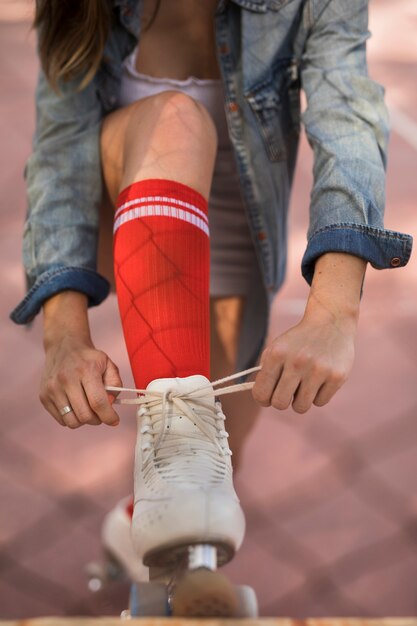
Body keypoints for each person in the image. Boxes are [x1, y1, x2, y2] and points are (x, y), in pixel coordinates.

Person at [10, 0, 412, 613]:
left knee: (207, 474)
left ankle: (136, 531)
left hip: (239, 225)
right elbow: (62, 148)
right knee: (177, 120)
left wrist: (334, 311)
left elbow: (346, 109)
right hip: (129, 189)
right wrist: (64, 332)